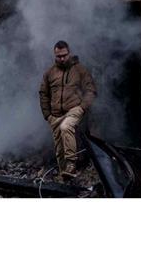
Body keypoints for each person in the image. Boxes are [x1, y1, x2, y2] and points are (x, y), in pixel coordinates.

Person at [38, 40, 97, 180]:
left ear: (69, 53)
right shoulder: (49, 73)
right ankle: (66, 176)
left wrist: (82, 107)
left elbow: (91, 90)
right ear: (55, 55)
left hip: (74, 109)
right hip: (55, 115)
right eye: (59, 56)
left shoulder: (80, 70)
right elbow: (43, 93)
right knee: (59, 150)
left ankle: (71, 163)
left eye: (64, 55)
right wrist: (47, 115)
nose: (62, 58)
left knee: (66, 127)